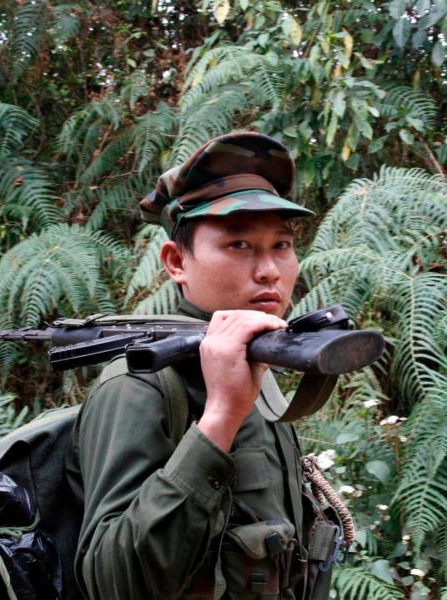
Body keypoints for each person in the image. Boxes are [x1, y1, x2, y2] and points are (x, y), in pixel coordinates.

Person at [65, 132, 339, 600]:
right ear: (176, 261)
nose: (270, 270)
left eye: (282, 245)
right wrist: (219, 419)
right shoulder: (141, 386)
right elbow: (112, 583)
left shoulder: (258, 361)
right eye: (239, 245)